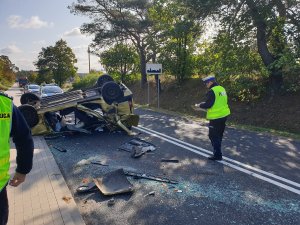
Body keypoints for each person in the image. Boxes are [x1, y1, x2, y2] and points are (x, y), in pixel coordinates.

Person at [0, 92, 34, 225]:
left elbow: (24, 138)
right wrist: (22, 170)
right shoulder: (4, 104)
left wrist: (23, 169)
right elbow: (24, 137)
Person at [195, 75, 230, 160]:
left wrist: (199, 105)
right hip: (224, 115)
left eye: (206, 83)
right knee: (219, 135)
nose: (206, 85)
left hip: (216, 117)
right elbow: (217, 102)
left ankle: (217, 155)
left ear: (211, 82)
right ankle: (217, 151)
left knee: (213, 136)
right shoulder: (222, 89)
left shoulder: (212, 91)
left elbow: (209, 104)